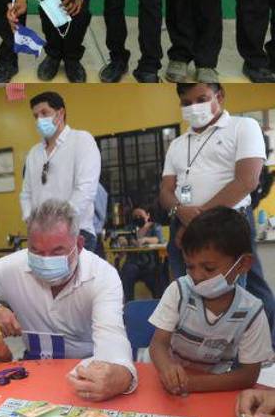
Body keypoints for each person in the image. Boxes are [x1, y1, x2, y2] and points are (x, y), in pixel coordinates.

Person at [0, 201, 137, 402]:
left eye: (57, 251)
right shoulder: (12, 267)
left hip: (86, 371)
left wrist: (122, 376)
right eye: (37, 251)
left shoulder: (102, 275)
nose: (46, 259)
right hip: (33, 371)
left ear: (79, 245)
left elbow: (111, 338)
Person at [159, 82, 275, 337]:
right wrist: (180, 209)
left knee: (230, 297)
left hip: (227, 223)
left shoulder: (243, 127)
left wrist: (199, 221)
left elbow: (247, 181)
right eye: (186, 103)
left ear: (219, 96)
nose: (193, 108)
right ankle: (192, 349)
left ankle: (240, 357)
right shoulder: (178, 144)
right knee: (185, 291)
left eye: (201, 99)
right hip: (183, 222)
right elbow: (166, 191)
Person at [149, 207, 270, 395]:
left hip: (211, 390)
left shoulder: (251, 312)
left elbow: (248, 375)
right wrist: (167, 369)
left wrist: (192, 384)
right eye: (190, 266)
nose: (197, 276)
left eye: (209, 268)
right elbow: (158, 344)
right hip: (167, 384)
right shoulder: (180, 291)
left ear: (243, 264)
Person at [18, 91, 102, 250]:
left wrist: (59, 226)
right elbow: (26, 194)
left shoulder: (81, 140)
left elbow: (85, 189)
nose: (39, 120)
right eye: (36, 116)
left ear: (60, 113)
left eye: (44, 113)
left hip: (76, 233)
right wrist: (31, 221)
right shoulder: (34, 153)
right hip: (40, 237)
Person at [118, 205, 164, 302]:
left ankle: (159, 304)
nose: (138, 218)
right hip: (133, 263)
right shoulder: (130, 228)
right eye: (135, 216)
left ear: (147, 215)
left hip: (150, 263)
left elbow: (159, 240)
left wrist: (145, 240)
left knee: (156, 277)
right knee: (127, 272)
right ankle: (128, 304)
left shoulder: (155, 227)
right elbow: (123, 238)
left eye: (140, 215)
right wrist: (122, 241)